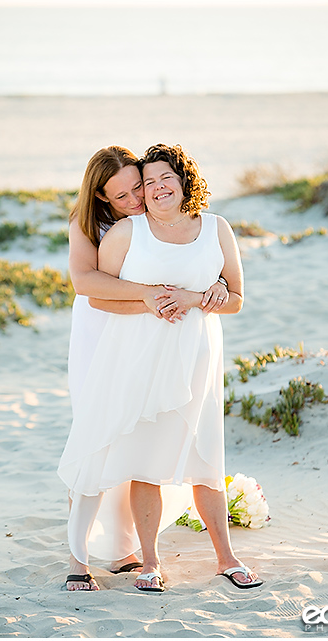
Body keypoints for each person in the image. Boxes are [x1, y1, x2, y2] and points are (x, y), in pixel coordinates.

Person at [59, 143, 262, 593]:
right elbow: (89, 285)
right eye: (129, 191)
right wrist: (151, 296)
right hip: (106, 332)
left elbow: (234, 293)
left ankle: (134, 550)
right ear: (101, 198)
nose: (140, 195)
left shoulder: (205, 225)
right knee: (99, 438)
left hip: (175, 339)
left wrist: (199, 294)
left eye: (145, 183)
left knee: (171, 451)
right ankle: (85, 556)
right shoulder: (99, 225)